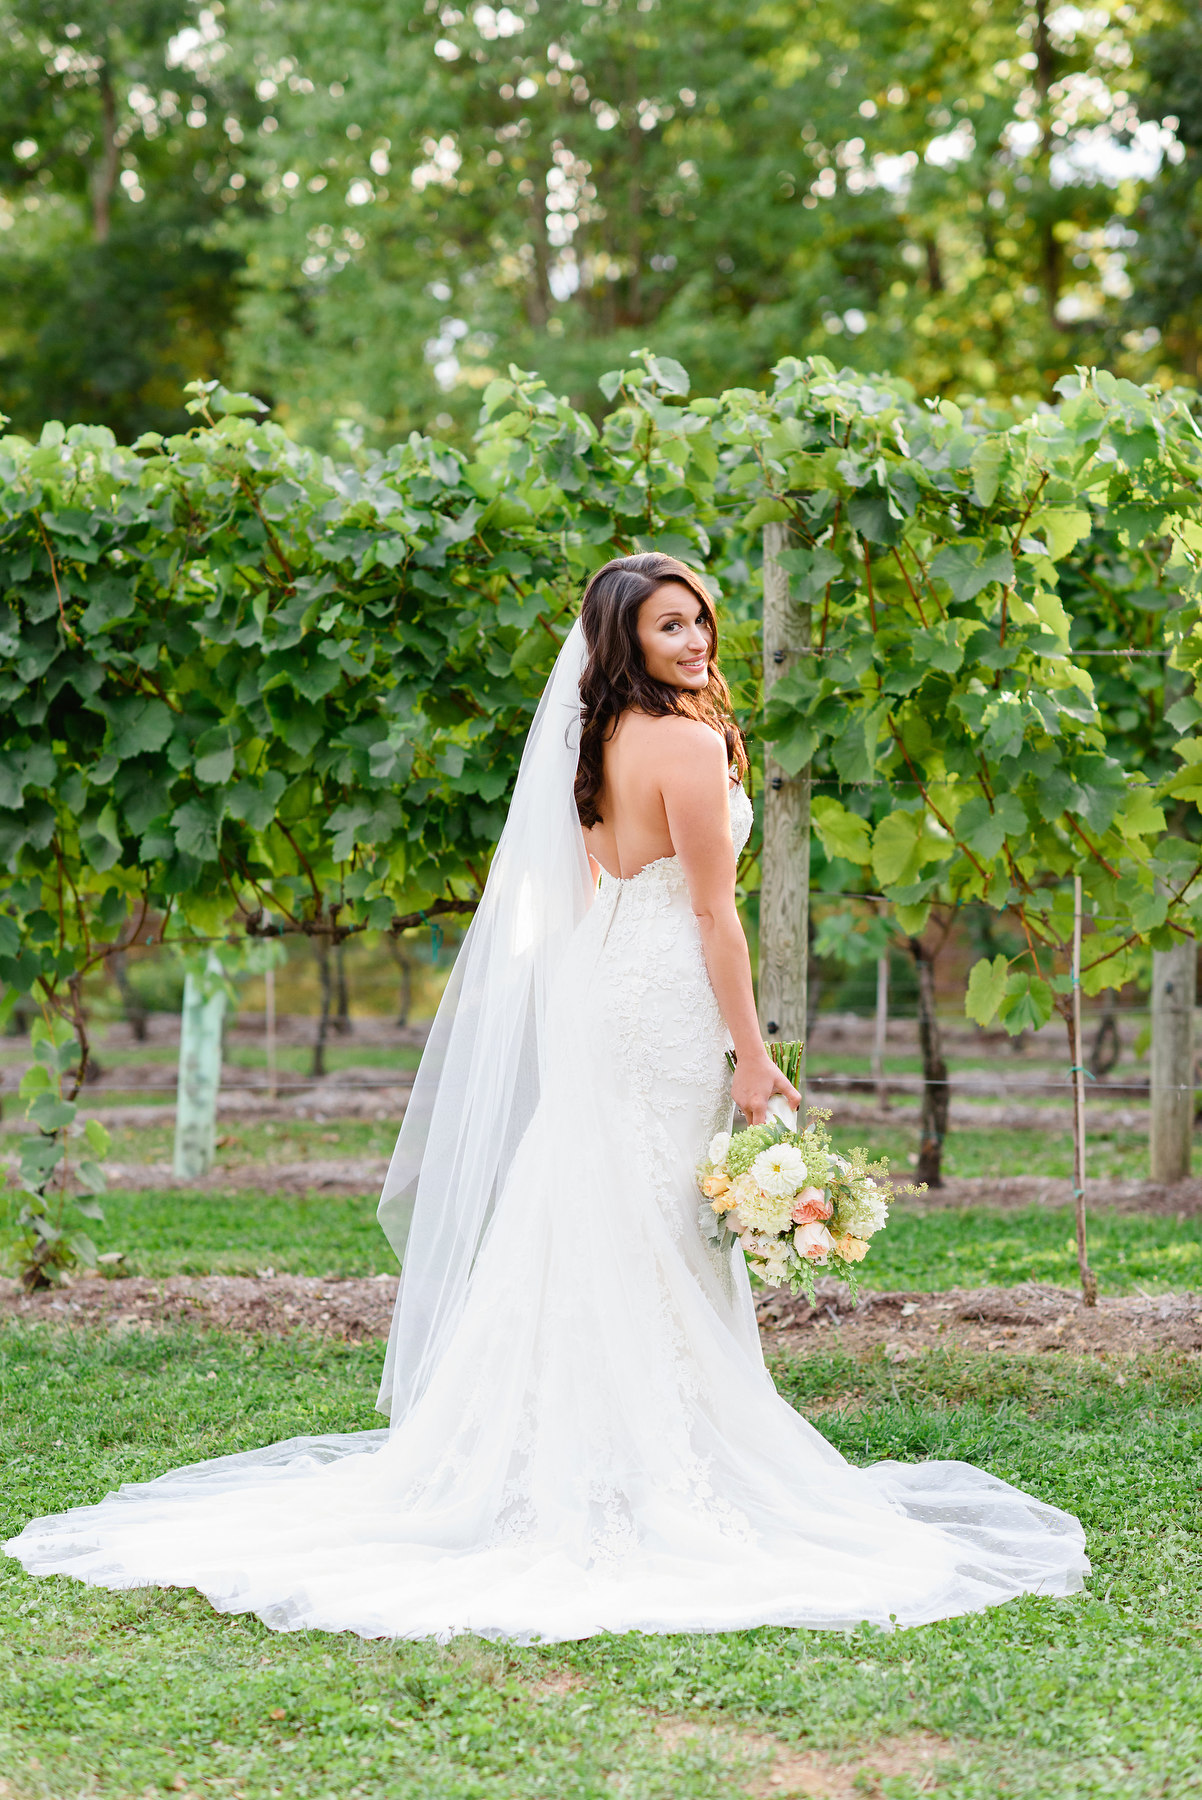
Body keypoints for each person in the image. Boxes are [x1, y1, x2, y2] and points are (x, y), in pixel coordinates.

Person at [5, 553, 1088, 1643]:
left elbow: (584, 891)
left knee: (594, 1203)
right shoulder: (689, 742)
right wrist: (751, 1059)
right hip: (661, 1000)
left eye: (701, 622)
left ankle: (567, 1441)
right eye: (671, 628)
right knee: (651, 1217)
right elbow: (715, 918)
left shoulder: (593, 738)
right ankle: (646, 1454)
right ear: (625, 640)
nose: (697, 641)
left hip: (600, 987)